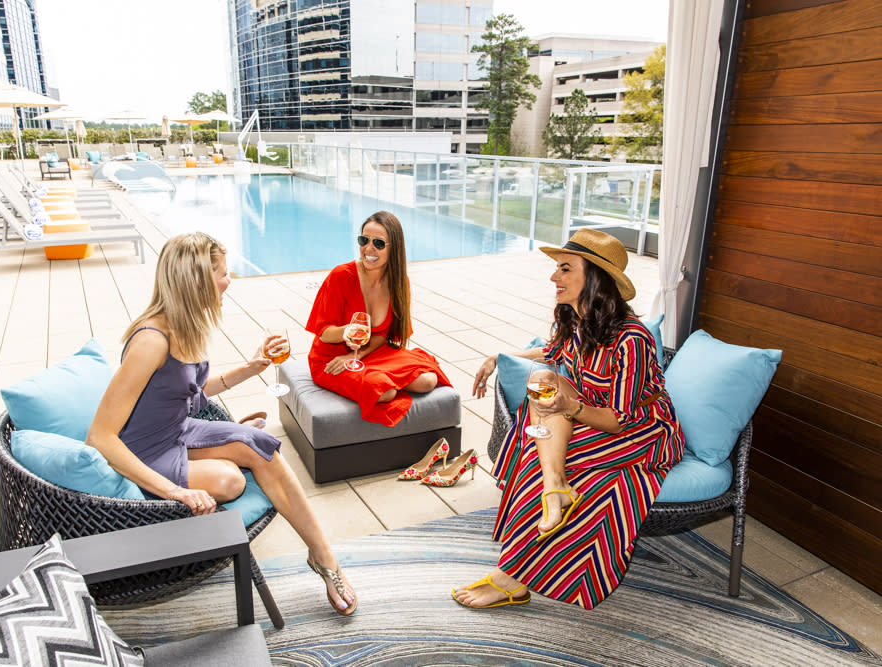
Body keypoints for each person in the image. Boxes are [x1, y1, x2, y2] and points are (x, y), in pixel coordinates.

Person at [86, 233, 357, 616]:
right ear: (197, 280)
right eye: (223, 274)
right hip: (144, 450)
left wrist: (252, 366)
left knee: (260, 446)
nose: (228, 282)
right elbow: (100, 436)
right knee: (230, 478)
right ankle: (223, 464)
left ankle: (324, 557)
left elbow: (189, 393)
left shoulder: (185, 326)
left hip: (179, 430)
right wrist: (174, 491)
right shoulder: (151, 339)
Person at [455, 229, 684, 610]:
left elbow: (618, 420)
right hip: (593, 411)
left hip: (644, 430)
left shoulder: (633, 339)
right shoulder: (578, 320)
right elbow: (548, 352)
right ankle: (555, 486)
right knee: (541, 383)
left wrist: (571, 408)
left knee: (535, 451)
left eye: (564, 268)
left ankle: (512, 577)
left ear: (594, 276)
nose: (553, 277)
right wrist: (500, 356)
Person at [305, 210, 451, 426]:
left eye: (379, 243)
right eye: (364, 240)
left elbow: (386, 334)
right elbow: (324, 334)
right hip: (331, 359)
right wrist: (348, 332)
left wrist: (357, 356)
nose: (368, 249)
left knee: (429, 381)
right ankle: (387, 377)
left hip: (369, 352)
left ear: (394, 249)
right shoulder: (342, 276)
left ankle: (385, 374)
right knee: (385, 392)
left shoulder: (399, 283)